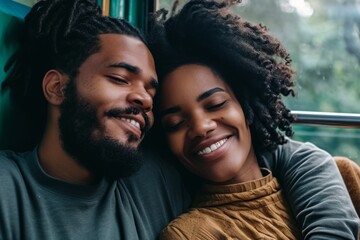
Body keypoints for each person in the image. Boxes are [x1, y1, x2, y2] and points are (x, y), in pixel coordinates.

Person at [0, 0, 358, 239]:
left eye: (151, 92)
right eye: (121, 78)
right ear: (57, 88)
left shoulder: (153, 175)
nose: (143, 99)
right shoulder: (8, 189)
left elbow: (262, 158)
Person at [147, 0, 360, 239]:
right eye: (175, 123)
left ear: (245, 103)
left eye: (215, 104)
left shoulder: (340, 177)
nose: (200, 127)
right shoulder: (190, 234)